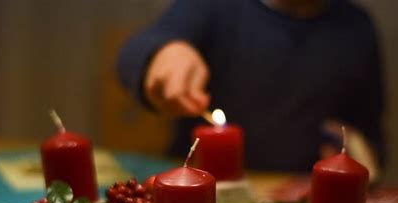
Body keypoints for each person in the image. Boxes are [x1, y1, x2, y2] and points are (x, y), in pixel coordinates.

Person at [117, 0, 384, 175]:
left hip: (298, 200)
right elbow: (137, 50)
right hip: (199, 189)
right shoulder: (214, 7)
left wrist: (357, 152)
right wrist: (162, 53)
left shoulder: (356, 27)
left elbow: (367, 127)